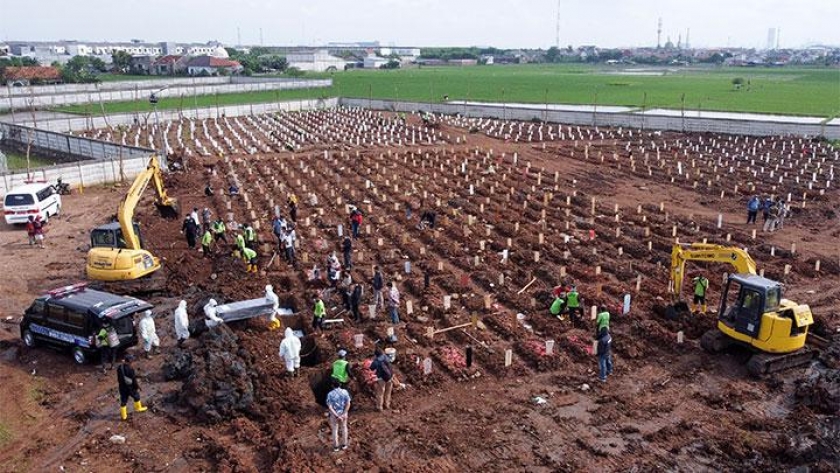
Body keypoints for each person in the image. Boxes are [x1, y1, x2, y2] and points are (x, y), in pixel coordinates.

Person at [117, 354, 148, 420]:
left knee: (123, 401)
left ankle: (124, 416)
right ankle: (138, 408)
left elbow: (119, 378)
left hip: (122, 387)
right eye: (132, 360)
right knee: (136, 396)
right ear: (130, 361)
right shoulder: (130, 369)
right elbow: (134, 380)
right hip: (130, 387)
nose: (132, 361)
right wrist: (137, 386)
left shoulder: (120, 367)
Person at [326, 379, 351, 452]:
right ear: (340, 384)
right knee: (344, 428)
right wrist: (343, 414)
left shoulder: (330, 394)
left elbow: (330, 406)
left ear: (332, 386)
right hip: (344, 414)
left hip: (334, 415)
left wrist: (337, 415)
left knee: (335, 430)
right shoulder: (345, 392)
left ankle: (336, 447)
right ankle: (344, 445)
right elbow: (348, 404)